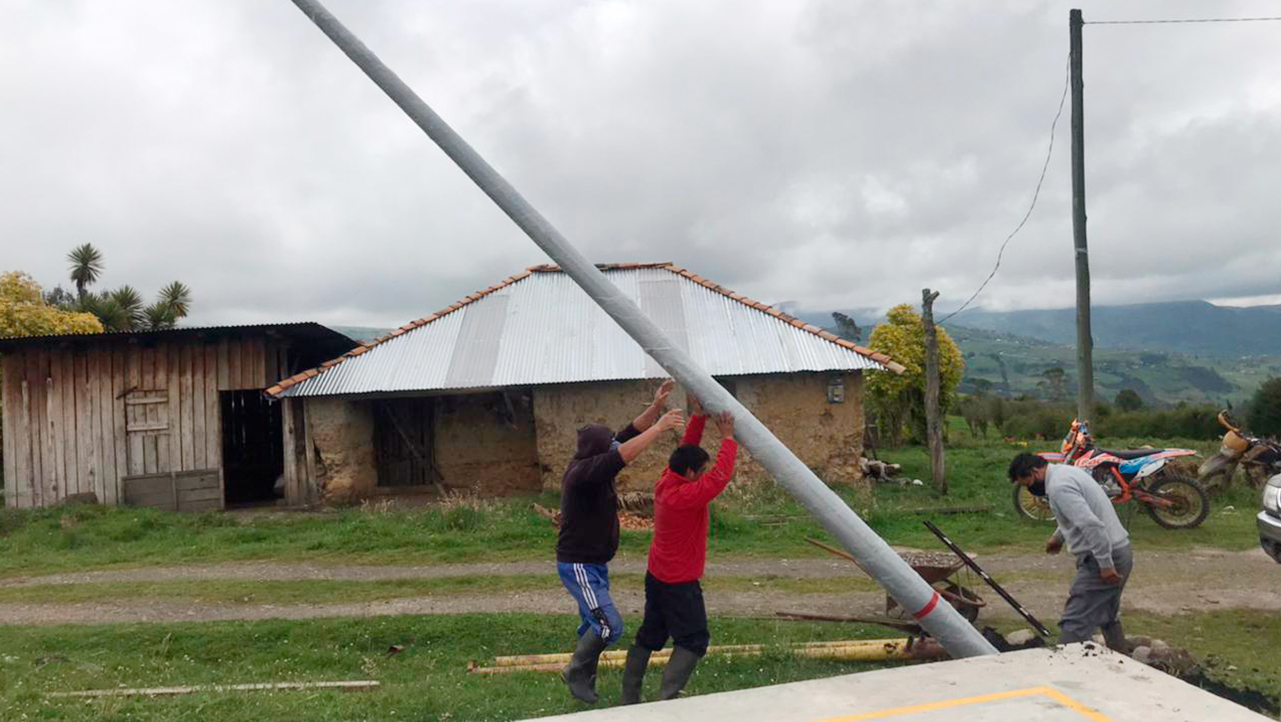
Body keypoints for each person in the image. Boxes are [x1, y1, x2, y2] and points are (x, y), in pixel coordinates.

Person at [557, 379, 685, 704]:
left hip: (594, 563)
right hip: (579, 565)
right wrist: (660, 427)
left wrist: (655, 406)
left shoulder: (597, 457)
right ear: (598, 452)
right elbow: (624, 453)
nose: (614, 446)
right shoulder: (583, 473)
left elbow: (626, 435)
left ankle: (583, 676)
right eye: (608, 446)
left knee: (594, 622)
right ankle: (576, 671)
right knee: (608, 626)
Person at [622, 397, 738, 704]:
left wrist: (697, 419)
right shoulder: (685, 496)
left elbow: (683, 451)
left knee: (650, 634)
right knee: (694, 639)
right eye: (700, 470)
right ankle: (668, 699)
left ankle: (629, 697)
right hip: (679, 583)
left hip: (658, 575)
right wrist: (727, 438)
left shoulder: (667, 480)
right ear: (689, 474)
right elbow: (720, 478)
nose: (703, 474)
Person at [1008, 452, 1132, 651]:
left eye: (1026, 483)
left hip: (1104, 556)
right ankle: (1122, 661)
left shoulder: (1059, 487)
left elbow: (1092, 525)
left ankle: (1064, 672)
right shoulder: (1067, 473)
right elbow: (1080, 514)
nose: (1029, 489)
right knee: (1107, 614)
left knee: (1075, 620)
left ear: (1035, 472)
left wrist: (1105, 565)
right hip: (1120, 550)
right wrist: (1058, 537)